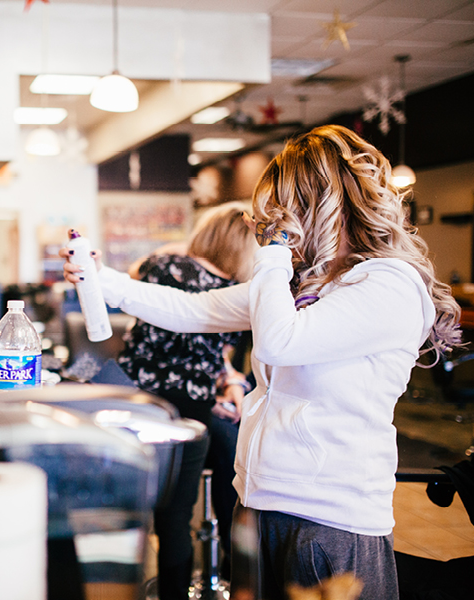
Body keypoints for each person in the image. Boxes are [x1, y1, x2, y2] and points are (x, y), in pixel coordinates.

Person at [60, 124, 462, 600]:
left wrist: (272, 255)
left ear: (322, 204)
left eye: (280, 208)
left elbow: (278, 344)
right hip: (259, 503)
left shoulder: (388, 286)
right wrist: (101, 278)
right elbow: (193, 310)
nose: (266, 222)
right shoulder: (307, 285)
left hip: (329, 519)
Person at [115, 201, 257, 599]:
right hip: (189, 411)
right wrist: (229, 385)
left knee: (141, 514)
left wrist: (186, 248)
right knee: (176, 516)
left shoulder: (162, 266)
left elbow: (133, 270)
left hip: (136, 400)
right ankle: (222, 571)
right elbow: (217, 356)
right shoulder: (237, 294)